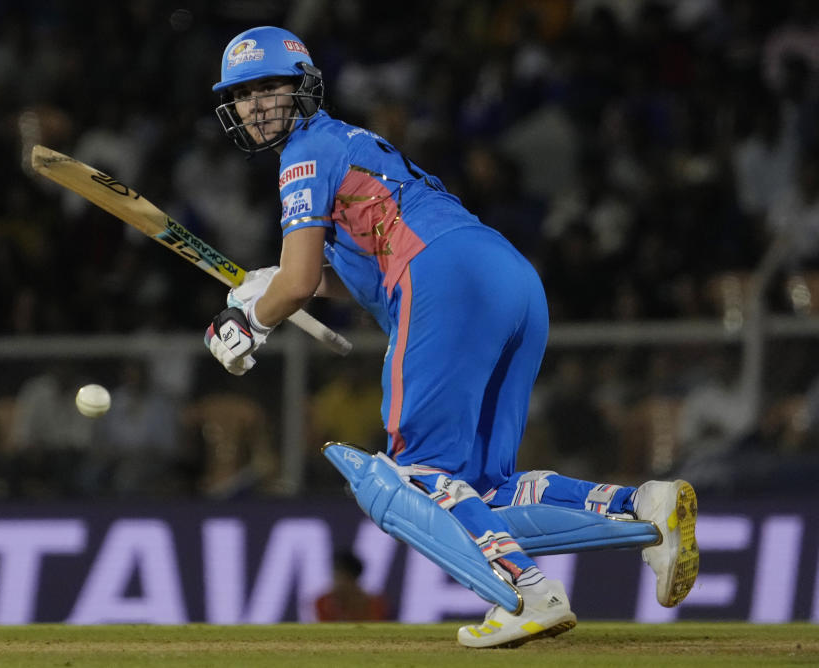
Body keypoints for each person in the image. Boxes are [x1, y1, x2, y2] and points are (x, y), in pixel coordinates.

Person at [203, 26, 699, 648]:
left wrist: (250, 320)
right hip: (510, 278)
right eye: (244, 94)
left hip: (442, 276)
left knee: (412, 474)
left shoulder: (304, 154)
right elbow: (351, 271)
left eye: (269, 88)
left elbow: (302, 282)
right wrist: (268, 285)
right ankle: (642, 506)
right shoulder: (351, 144)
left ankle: (526, 592)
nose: (256, 106)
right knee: (482, 490)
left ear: (304, 89)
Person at [314, 549, 389, 622]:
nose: (335, 581)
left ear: (352, 578)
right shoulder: (323, 602)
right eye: (334, 576)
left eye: (339, 576)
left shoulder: (374, 604)